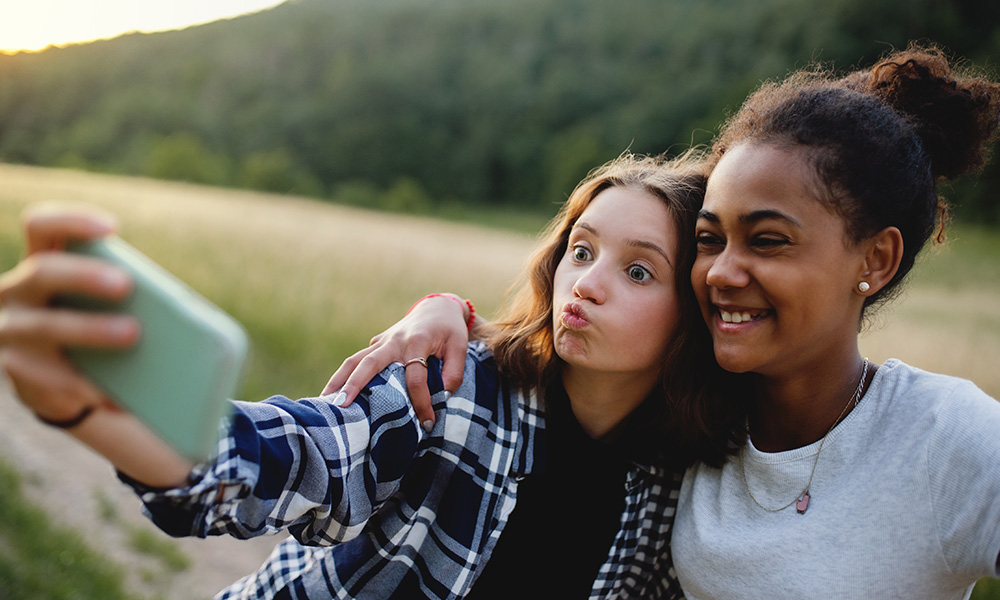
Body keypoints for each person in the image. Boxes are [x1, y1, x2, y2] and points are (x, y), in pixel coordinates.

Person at [329, 44, 1000, 599]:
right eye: (711, 239)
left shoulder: (942, 438)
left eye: (767, 241)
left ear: (876, 259)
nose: (722, 272)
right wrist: (446, 313)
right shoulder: (693, 423)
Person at [0, 154, 739, 599]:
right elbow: (302, 455)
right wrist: (95, 411)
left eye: (639, 270)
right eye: (581, 250)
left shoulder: (685, 487)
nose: (587, 285)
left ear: (696, 313)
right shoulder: (457, 387)